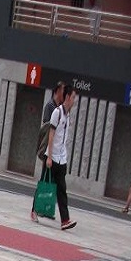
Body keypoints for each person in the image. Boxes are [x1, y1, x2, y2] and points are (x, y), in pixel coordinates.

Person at [31, 81, 66, 221]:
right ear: (57, 91)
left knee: (52, 182)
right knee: (44, 181)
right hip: (48, 151)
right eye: (63, 91)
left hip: (56, 153)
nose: (64, 94)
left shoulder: (60, 108)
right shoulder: (50, 107)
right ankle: (34, 210)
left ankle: (45, 208)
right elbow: (47, 128)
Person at [46, 86, 78, 231]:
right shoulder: (57, 112)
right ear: (67, 97)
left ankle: (65, 220)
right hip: (52, 157)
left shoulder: (68, 115)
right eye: (73, 97)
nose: (74, 100)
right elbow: (51, 135)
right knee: (45, 184)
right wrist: (49, 157)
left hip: (62, 158)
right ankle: (35, 209)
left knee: (61, 189)